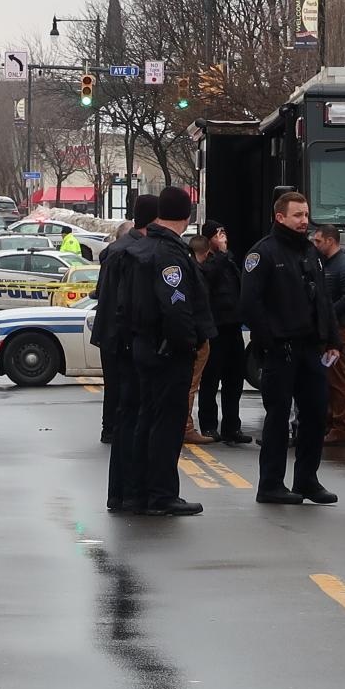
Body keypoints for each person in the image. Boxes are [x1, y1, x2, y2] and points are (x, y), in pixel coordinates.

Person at [239, 192, 341, 505]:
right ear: (280, 217)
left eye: (306, 214)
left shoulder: (310, 252)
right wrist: (268, 339)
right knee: (278, 417)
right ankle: (270, 484)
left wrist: (333, 339)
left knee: (314, 415)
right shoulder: (264, 253)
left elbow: (323, 299)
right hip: (280, 349)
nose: (304, 221)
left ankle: (306, 480)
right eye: (297, 215)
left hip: (310, 348)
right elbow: (249, 303)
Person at [120, 187, 209, 516]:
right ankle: (162, 494)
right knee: (167, 425)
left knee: (149, 420)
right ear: (188, 217)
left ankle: (141, 491)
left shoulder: (144, 248)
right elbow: (176, 307)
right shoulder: (170, 254)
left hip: (146, 345)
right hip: (168, 350)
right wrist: (189, 341)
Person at [91, 196, 158, 511]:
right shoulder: (131, 254)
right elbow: (123, 305)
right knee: (132, 416)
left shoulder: (115, 252)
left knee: (124, 416)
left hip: (113, 341)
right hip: (125, 344)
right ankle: (131, 492)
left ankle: (121, 492)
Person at [197, 220, 251, 446]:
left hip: (233, 326)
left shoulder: (228, 260)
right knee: (210, 380)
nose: (223, 237)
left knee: (234, 380)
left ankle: (232, 426)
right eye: (218, 234)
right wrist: (220, 254)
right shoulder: (206, 261)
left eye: (224, 232)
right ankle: (208, 425)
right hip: (215, 328)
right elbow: (208, 277)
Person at [312, 225, 345, 447]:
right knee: (327, 378)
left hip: (339, 328)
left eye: (318, 241)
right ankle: (330, 423)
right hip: (328, 328)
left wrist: (327, 314)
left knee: (338, 378)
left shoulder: (344, 265)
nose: (315, 245)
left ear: (330, 241)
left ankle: (341, 427)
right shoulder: (325, 264)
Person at [183, 236, 217, 444]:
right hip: (197, 337)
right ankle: (186, 427)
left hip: (188, 335)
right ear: (206, 253)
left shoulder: (184, 269)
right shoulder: (197, 273)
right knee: (191, 385)